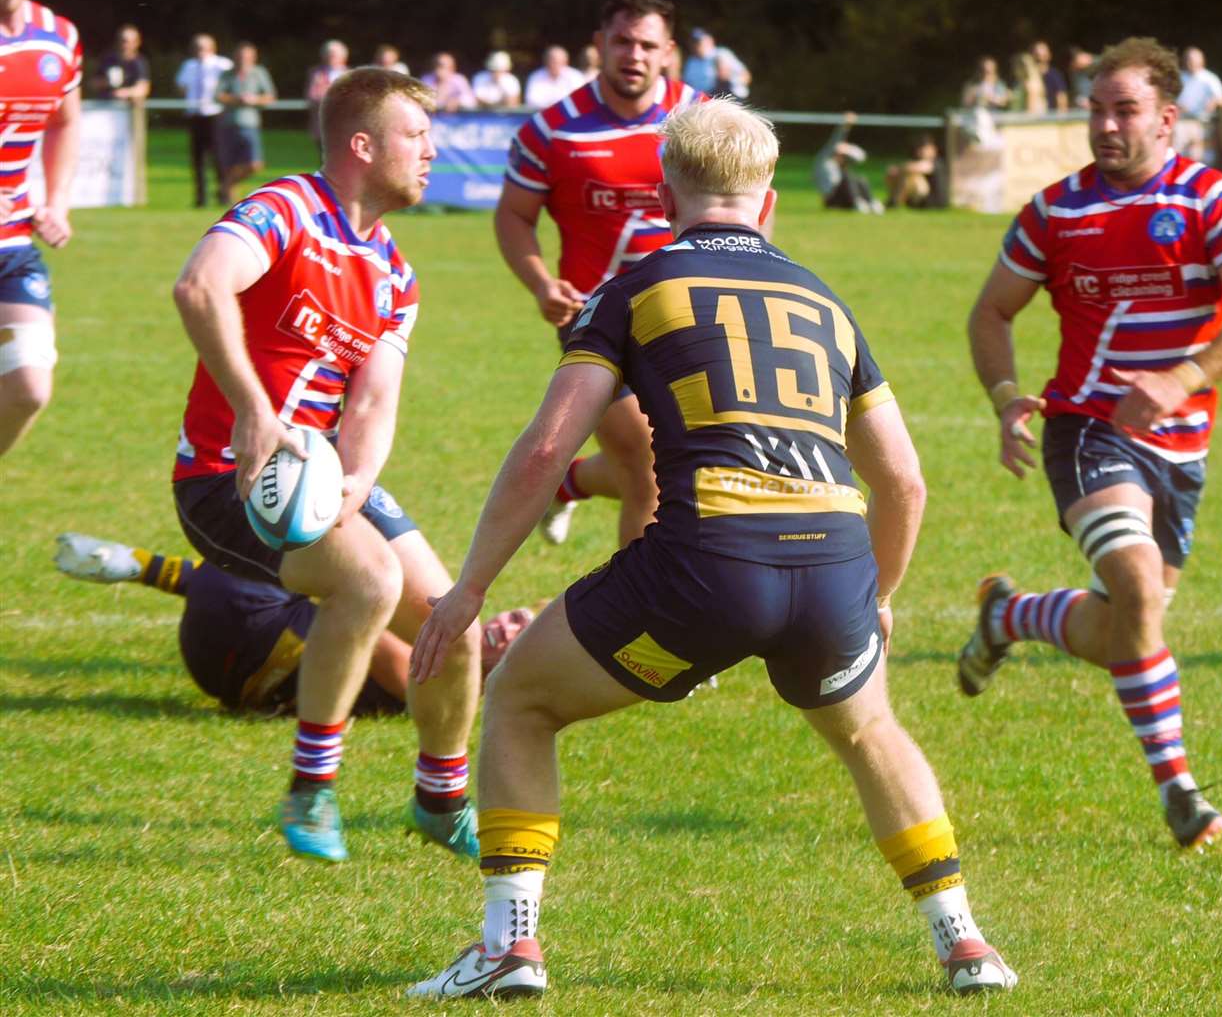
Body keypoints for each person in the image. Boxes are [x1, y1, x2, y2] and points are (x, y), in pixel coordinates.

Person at [407, 99, 1016, 1000]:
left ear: (663, 194)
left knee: (521, 699)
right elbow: (906, 483)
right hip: (834, 563)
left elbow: (546, 449)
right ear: (768, 199)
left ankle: (509, 947)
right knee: (867, 729)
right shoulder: (824, 299)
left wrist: (468, 590)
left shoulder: (637, 286)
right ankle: (964, 943)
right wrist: (877, 595)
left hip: (705, 571)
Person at [961, 37, 1222, 852]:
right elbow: (990, 313)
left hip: (1179, 444)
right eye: (1095, 111)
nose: (1105, 126)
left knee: (1121, 631)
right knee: (1138, 589)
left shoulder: (1212, 200)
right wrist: (1007, 399)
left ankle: (1008, 617)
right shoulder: (1054, 211)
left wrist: (1182, 378)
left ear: (1167, 119)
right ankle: (1179, 792)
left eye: (1125, 110)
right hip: (1086, 430)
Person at [170, 67, 483, 864]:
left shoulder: (396, 274)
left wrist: (357, 480)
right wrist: (251, 408)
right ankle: (312, 790)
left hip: (320, 472)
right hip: (225, 475)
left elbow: (375, 401)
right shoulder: (284, 210)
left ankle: (440, 797)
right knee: (369, 583)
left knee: (456, 625)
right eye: (415, 135)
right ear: (360, 144)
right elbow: (199, 287)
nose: (430, 150)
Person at [496, 0, 706, 549]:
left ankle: (572, 482)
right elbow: (514, 217)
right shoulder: (552, 131)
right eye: (622, 42)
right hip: (596, 319)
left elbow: (750, 201)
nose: (633, 55)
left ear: (668, 52)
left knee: (690, 466)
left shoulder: (703, 121)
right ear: (598, 46)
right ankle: (633, 622)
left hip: (686, 318)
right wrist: (541, 283)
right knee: (646, 459)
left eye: (646, 44)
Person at [55, 532, 409, 716]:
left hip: (227, 580)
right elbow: (397, 663)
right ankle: (153, 567)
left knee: (347, 588)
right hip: (235, 651)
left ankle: (154, 567)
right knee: (364, 609)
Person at [0, 0, 81, 460]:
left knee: (30, 386)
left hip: (12, 243)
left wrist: (57, 202)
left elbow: (65, 122)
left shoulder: (59, 37)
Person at [174, 34, 232, 208]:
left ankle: (223, 193)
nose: (200, 51)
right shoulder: (189, 66)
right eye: (197, 47)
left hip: (215, 115)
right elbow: (181, 86)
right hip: (195, 114)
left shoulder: (222, 64)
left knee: (219, 157)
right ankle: (200, 197)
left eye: (203, 47)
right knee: (197, 158)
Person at [215, 41, 276, 205]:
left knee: (254, 164)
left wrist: (255, 99)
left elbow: (270, 96)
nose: (243, 60)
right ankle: (229, 201)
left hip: (250, 124)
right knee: (230, 164)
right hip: (228, 124)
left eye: (247, 57)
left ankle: (225, 186)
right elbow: (218, 95)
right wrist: (237, 99)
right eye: (240, 57)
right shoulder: (227, 75)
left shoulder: (259, 73)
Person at [813, 112, 883, 213]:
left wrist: (848, 149)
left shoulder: (840, 166)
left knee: (860, 179)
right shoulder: (824, 160)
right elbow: (834, 141)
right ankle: (857, 203)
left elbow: (861, 157)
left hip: (844, 196)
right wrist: (845, 125)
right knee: (847, 178)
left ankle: (871, 202)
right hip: (832, 199)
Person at [1176, 47, 1222, 166]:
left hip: (1203, 122)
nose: (1192, 63)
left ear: (1202, 61)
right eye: (1189, 59)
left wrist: (1213, 102)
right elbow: (1169, 98)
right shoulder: (1179, 77)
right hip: (1181, 122)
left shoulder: (1210, 78)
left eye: (1195, 60)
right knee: (1180, 153)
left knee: (1199, 156)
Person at [682, 28, 750, 99]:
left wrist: (731, 80)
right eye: (694, 42)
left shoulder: (722, 54)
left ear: (710, 40)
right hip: (706, 99)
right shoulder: (691, 62)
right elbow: (687, 84)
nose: (696, 45)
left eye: (699, 42)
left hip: (732, 97)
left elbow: (746, 75)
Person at [885, 134, 949, 210]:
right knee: (897, 175)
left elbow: (919, 167)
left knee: (911, 175)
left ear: (933, 149)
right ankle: (894, 201)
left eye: (924, 149)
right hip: (922, 201)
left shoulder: (937, 162)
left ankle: (893, 202)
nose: (921, 152)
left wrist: (899, 169)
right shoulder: (921, 161)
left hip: (934, 202)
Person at [305, 39, 349, 144]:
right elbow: (312, 95)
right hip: (322, 123)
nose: (331, 57)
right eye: (328, 54)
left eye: (334, 55)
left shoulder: (350, 74)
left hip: (346, 124)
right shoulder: (316, 73)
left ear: (343, 56)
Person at [93, 23, 150, 103]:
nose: (126, 45)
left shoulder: (139, 62)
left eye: (130, 42)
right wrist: (107, 82)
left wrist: (125, 93)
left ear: (137, 43)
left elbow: (143, 89)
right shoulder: (108, 59)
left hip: (130, 109)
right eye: (123, 41)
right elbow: (93, 83)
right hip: (106, 106)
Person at [524, 45, 584, 109]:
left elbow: (579, 100)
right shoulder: (535, 76)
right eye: (551, 61)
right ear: (546, 61)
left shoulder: (575, 76)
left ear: (566, 62)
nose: (554, 64)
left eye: (558, 62)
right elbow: (531, 101)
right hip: (543, 114)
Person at [1032, 40, 1068, 112]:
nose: (1040, 56)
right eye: (1038, 54)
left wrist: (1061, 117)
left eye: (1043, 54)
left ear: (1049, 55)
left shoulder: (1055, 75)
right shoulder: (1029, 75)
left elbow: (1062, 97)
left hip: (1050, 117)